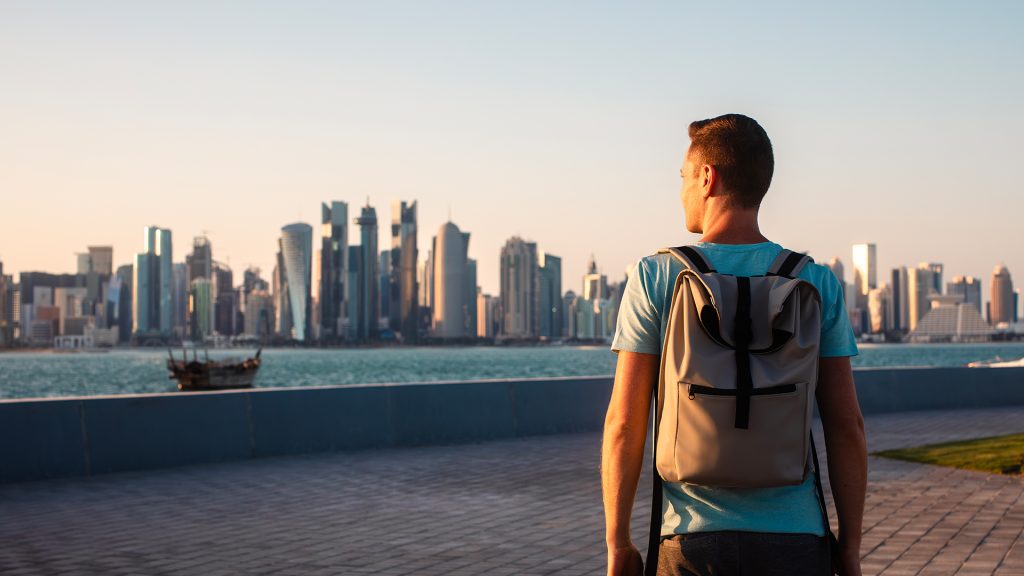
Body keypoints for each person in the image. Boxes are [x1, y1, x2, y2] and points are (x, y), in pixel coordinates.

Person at [601, 114, 867, 576]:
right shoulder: (815, 281)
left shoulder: (656, 276)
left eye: (683, 177)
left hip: (689, 541)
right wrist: (849, 547)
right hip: (797, 540)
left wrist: (618, 544)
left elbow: (625, 424)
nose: (681, 188)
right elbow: (847, 428)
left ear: (708, 178)